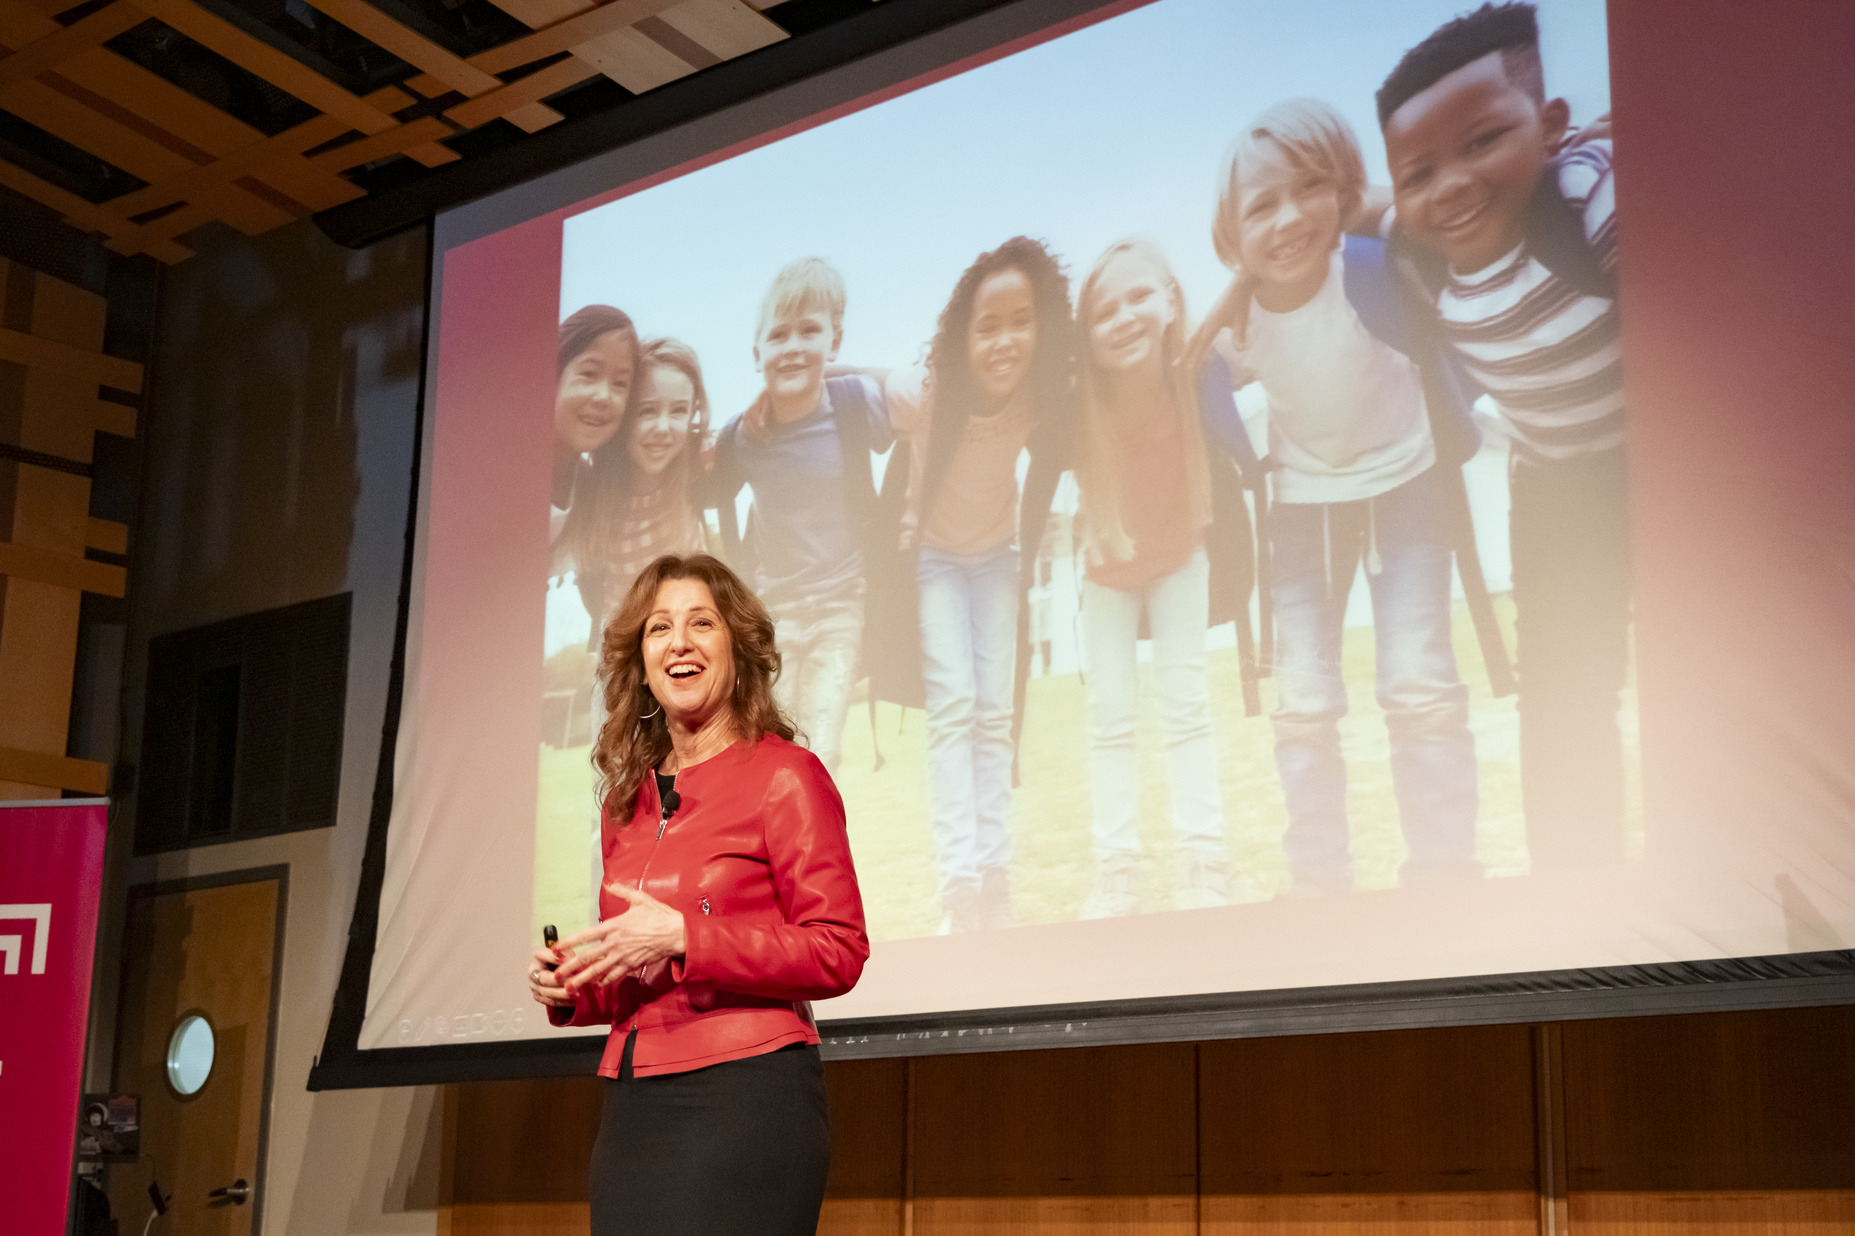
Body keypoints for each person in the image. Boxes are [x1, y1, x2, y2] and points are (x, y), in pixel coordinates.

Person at [528, 552, 868, 1236]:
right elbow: (632, 971)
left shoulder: (786, 776)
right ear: (642, 666)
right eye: (659, 628)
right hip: (632, 1105)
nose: (678, 641)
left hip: (745, 1097)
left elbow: (838, 951)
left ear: (736, 652)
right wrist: (574, 987)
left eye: (700, 623)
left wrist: (689, 936)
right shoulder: (626, 803)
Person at [1201, 98, 1481, 894]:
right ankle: (1320, 882)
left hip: (1408, 485)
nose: (1287, 218)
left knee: (1417, 682)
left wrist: (1365, 206)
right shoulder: (1237, 322)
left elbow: (1426, 223)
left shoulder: (1373, 259)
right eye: (1261, 206)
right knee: (1303, 703)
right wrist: (1244, 465)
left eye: (1307, 189)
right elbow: (1195, 378)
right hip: (1303, 509)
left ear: (1342, 194)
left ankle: (1443, 872)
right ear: (1231, 237)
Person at [1378, 1, 1627, 870]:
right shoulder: (1410, 251)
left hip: (1655, 462)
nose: (1447, 185)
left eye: (1482, 141)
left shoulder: (1587, 196)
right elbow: (1368, 202)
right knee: (1560, 694)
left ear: (1550, 129)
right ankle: (1574, 883)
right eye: (1419, 174)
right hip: (1554, 482)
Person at [884, 237, 1077, 933]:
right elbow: (861, 386)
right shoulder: (927, 394)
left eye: (1020, 321)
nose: (1004, 340)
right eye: (987, 326)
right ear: (960, 334)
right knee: (956, 707)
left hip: (997, 557)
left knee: (995, 713)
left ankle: (994, 875)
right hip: (936, 560)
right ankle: (958, 881)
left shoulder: (1038, 395)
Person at [1071, 239, 1229, 917]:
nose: (1125, 317)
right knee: (1109, 719)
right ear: (1087, 335)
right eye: (1105, 310)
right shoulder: (1079, 401)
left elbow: (1248, 306)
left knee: (1185, 706)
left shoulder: (1195, 370)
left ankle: (1204, 860)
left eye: (1140, 296)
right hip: (1105, 573)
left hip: (1179, 559)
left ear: (1170, 300)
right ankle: (1118, 871)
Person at [709, 258, 892, 774]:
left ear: (834, 342)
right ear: (756, 353)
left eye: (809, 331)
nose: (792, 347)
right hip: (775, 615)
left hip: (841, 604)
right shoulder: (742, 437)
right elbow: (701, 486)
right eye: (778, 335)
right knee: (772, 754)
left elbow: (925, 403)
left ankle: (814, 856)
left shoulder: (858, 407)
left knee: (822, 751)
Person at [561, 336, 712, 627]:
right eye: (647, 411)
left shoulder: (697, 467)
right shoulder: (594, 489)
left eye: (679, 410)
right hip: (628, 643)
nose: (664, 427)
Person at [551, 305, 639, 549]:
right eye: (589, 374)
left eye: (620, 384)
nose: (603, 396)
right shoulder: (505, 467)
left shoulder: (587, 486)